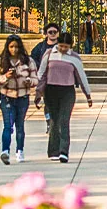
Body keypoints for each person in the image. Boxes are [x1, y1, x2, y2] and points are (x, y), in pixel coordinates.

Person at [35, 32, 93, 164]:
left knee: (64, 120)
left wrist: (88, 95)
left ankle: (64, 152)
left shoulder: (74, 58)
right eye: (61, 46)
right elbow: (41, 74)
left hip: (67, 91)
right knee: (54, 121)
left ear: (70, 46)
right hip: (51, 91)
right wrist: (38, 93)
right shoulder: (49, 54)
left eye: (66, 47)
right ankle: (53, 151)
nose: (63, 49)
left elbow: (81, 77)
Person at [0, 34, 38, 165]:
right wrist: (5, 76)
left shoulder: (28, 61)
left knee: (20, 125)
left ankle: (20, 150)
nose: (14, 49)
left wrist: (29, 82)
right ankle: (5, 151)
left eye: (17, 47)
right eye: (11, 47)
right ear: (7, 47)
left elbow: (36, 78)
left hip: (22, 97)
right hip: (7, 96)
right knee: (7, 125)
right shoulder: (0, 61)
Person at [31, 23, 61, 133]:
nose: (53, 34)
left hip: (59, 79)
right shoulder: (40, 47)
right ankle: (49, 122)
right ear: (46, 34)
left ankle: (56, 122)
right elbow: (32, 59)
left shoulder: (62, 46)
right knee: (48, 102)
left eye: (55, 32)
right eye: (50, 32)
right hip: (45, 79)